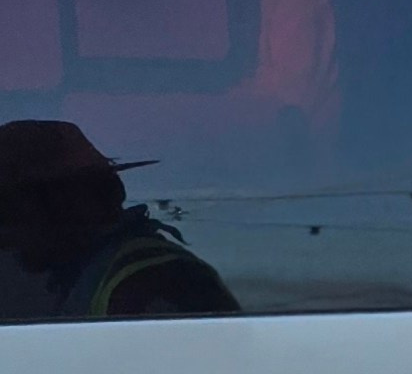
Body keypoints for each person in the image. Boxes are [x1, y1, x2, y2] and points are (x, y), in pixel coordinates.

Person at [0, 121, 236, 321]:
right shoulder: (80, 271)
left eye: (10, 207)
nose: (6, 231)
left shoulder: (152, 283)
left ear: (59, 205)